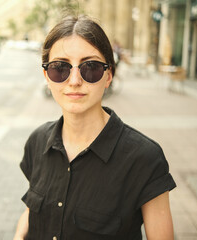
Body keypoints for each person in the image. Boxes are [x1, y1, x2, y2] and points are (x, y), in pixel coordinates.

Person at [14, 15, 176, 240]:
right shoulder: (37, 141)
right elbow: (31, 211)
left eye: (90, 67)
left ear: (108, 76)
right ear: (46, 76)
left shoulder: (144, 158)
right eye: (59, 67)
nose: (74, 80)